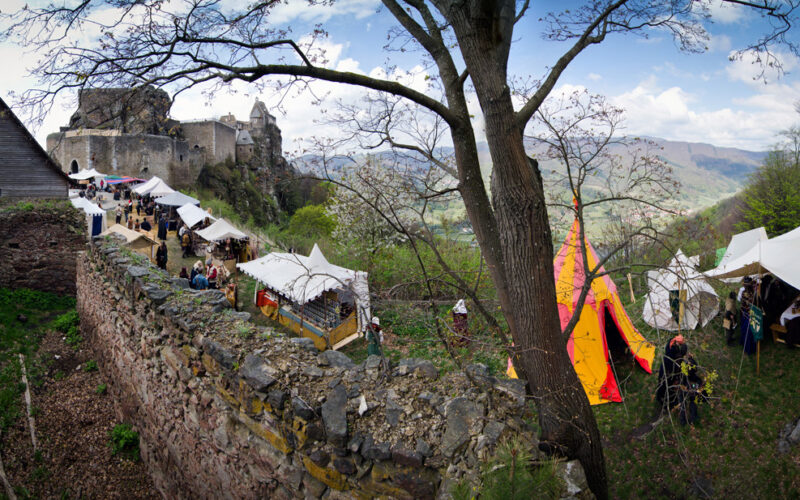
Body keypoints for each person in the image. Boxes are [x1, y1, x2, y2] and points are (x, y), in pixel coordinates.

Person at [739, 276, 758, 355]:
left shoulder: (753, 292)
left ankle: (750, 348)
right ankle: (748, 347)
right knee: (747, 331)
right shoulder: (747, 293)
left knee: (749, 332)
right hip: (746, 314)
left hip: (750, 314)